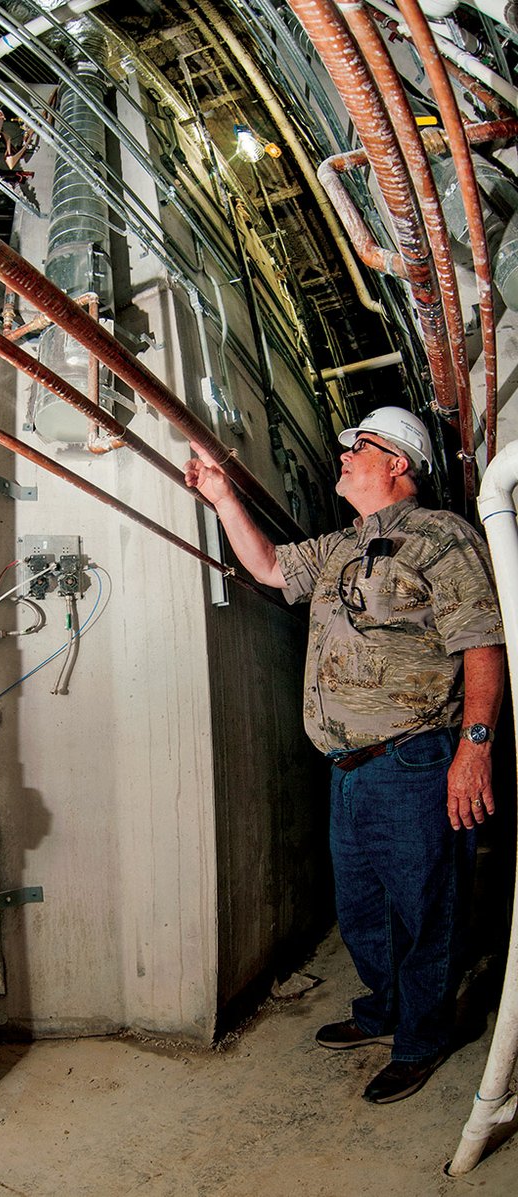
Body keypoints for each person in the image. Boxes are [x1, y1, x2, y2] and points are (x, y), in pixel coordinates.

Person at [185, 406, 505, 1104]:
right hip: (348, 768)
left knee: (427, 906)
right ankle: (384, 1009)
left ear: (399, 463)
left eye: (359, 445)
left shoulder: (442, 538)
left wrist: (475, 748)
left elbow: (482, 643)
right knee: (362, 906)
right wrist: (221, 496)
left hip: (416, 757)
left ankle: (422, 1036)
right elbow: (269, 566)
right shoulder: (340, 546)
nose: (345, 454)